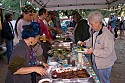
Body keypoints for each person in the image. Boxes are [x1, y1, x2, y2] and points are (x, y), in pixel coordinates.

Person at [78, 11, 117, 83]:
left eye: (91, 24)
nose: (90, 26)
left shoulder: (107, 35)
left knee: (104, 81)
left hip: (104, 64)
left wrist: (93, 51)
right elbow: (90, 41)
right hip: (96, 62)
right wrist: (84, 43)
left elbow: (107, 51)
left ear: (98, 22)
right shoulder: (96, 32)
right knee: (98, 80)